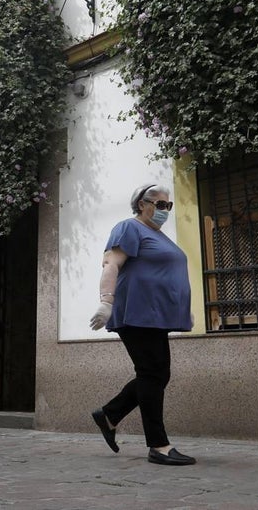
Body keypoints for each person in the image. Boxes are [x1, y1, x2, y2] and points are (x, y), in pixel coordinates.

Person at [89, 183, 196, 466]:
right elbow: (111, 264)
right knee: (152, 373)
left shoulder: (159, 236)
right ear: (142, 204)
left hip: (155, 315)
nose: (165, 210)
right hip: (136, 313)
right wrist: (106, 302)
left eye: (168, 206)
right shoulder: (129, 228)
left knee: (157, 374)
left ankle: (110, 414)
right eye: (160, 205)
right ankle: (158, 446)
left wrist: (183, 308)